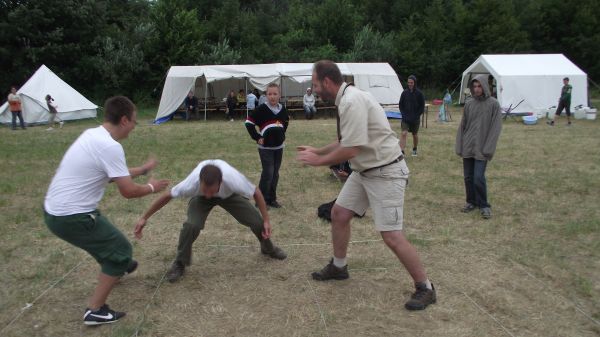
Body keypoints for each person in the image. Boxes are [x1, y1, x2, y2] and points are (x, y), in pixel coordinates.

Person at [297, 60, 436, 311]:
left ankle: (425, 287)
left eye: (316, 85)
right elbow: (343, 140)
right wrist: (318, 150)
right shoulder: (346, 99)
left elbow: (351, 148)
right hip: (365, 171)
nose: (315, 90)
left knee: (391, 235)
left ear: (327, 82)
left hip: (386, 172)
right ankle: (339, 267)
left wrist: (318, 160)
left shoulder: (351, 101)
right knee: (339, 214)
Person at [43, 96, 170, 325]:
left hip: (56, 211)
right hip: (72, 216)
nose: (134, 126)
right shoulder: (110, 146)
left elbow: (111, 173)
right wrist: (152, 187)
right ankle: (95, 310)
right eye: (134, 121)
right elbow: (128, 191)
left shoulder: (92, 135)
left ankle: (118, 266)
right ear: (123, 120)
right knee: (121, 249)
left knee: (111, 242)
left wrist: (142, 169)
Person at [133, 160, 287, 283]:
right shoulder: (191, 184)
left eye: (212, 191)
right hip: (198, 199)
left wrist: (266, 220)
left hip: (228, 196)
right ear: (199, 182)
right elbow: (166, 197)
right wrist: (144, 218)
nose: (209, 195)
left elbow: (257, 192)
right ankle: (180, 262)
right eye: (205, 190)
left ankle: (268, 248)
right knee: (191, 225)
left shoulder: (232, 179)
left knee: (257, 222)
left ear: (221, 182)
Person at [455, 74, 502, 219]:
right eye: (474, 86)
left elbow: (496, 128)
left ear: (485, 86)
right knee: (468, 177)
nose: (477, 89)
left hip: (482, 147)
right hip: (468, 146)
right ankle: (471, 202)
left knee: (478, 177)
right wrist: (460, 144)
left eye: (479, 86)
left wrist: (488, 148)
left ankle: (484, 205)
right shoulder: (469, 103)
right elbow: (463, 125)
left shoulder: (493, 104)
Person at [245, 83, 289, 208]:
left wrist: (281, 134)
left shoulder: (283, 109)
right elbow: (248, 123)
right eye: (269, 94)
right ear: (266, 95)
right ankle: (261, 201)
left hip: (279, 148)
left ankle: (271, 199)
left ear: (279, 95)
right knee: (268, 173)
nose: (272, 97)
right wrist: (257, 137)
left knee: (275, 174)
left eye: (275, 94)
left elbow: (286, 121)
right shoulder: (261, 109)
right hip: (265, 148)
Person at [399, 75, 425, 157]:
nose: (410, 84)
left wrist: (416, 115)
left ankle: (414, 149)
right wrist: (403, 114)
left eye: (411, 82)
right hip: (405, 118)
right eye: (409, 82)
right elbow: (401, 105)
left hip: (415, 119)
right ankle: (401, 151)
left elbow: (422, 106)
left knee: (415, 135)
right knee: (404, 133)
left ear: (414, 83)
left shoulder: (419, 94)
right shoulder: (404, 93)